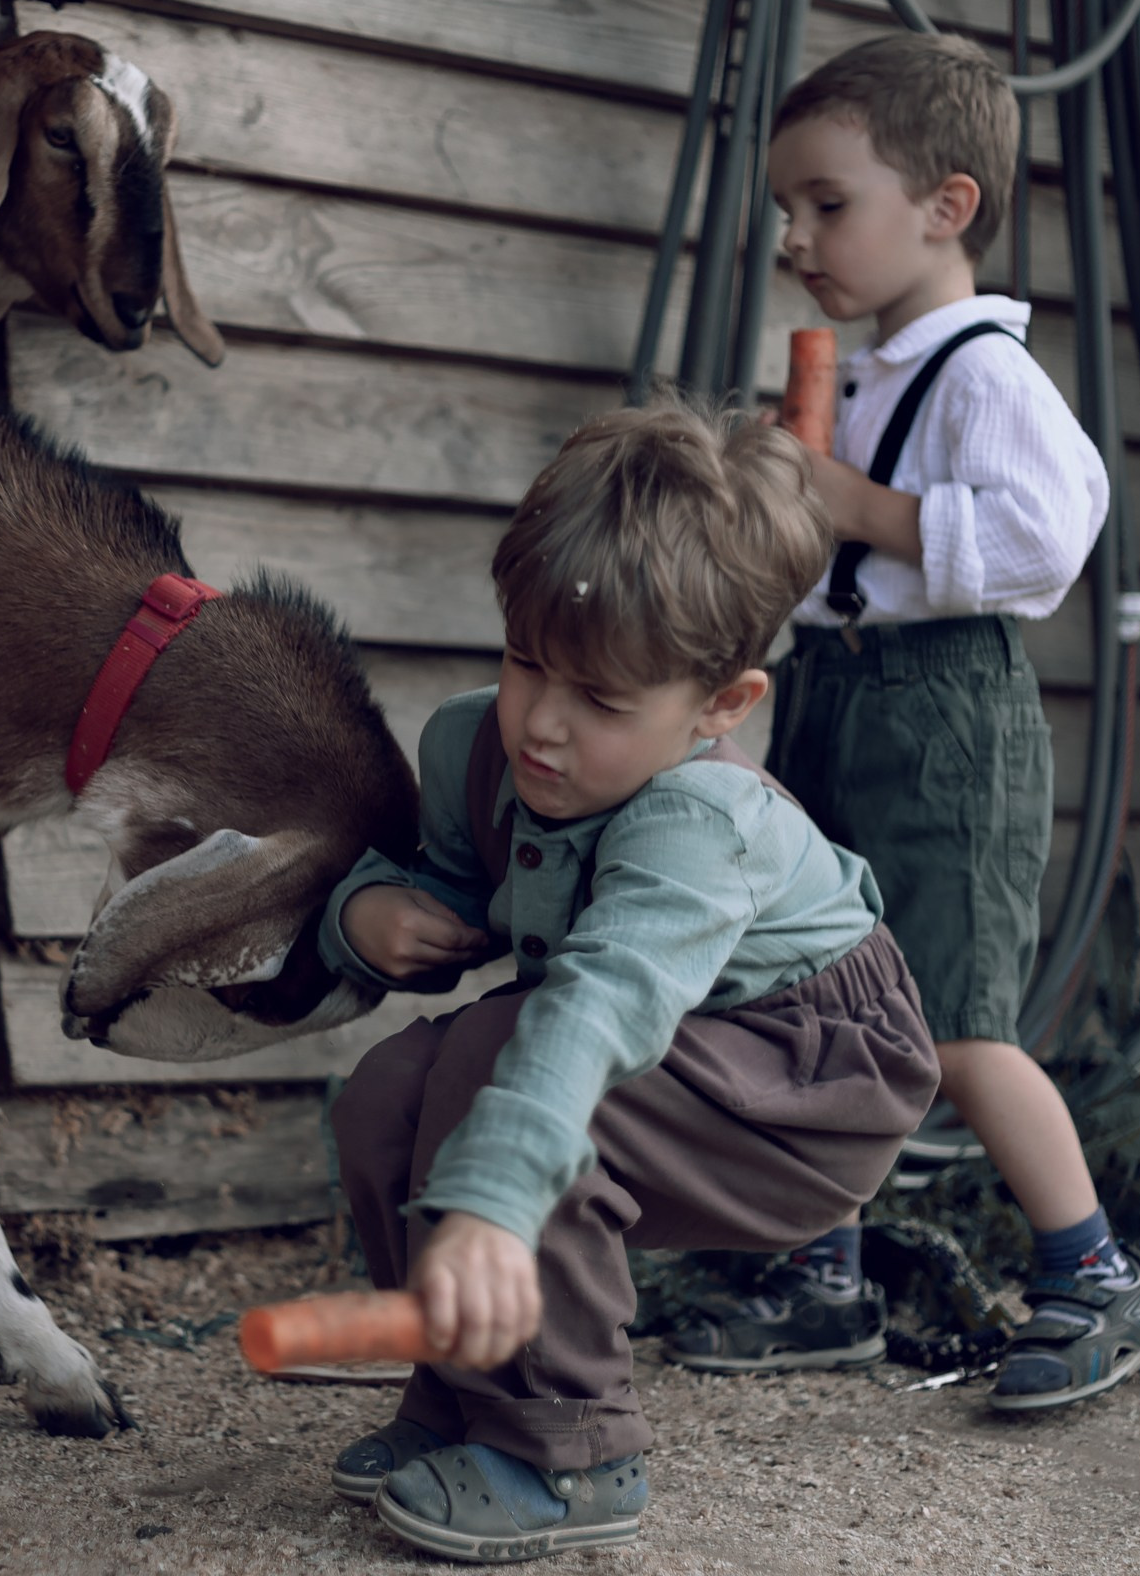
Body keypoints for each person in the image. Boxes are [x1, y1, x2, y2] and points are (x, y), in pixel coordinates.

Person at [316, 398, 941, 1563]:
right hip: (647, 1038)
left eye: (602, 701)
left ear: (721, 705)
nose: (543, 725)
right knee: (389, 1095)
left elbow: (597, 1009)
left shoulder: (702, 820)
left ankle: (570, 1451)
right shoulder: (475, 749)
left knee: (510, 1068)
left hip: (806, 1075)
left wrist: (498, 1206)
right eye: (524, 662)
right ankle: (464, 1389)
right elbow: (454, 886)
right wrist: (369, 914)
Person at [662, 31, 1140, 1411]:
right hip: (836, 695)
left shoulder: (984, 378)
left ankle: (1094, 1274)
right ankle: (818, 1270)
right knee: (819, 992)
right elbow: (822, 562)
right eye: (786, 210)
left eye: (828, 204)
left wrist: (856, 508)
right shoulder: (872, 372)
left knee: (950, 1018)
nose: (794, 238)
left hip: (946, 716)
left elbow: (1045, 534)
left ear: (947, 208)